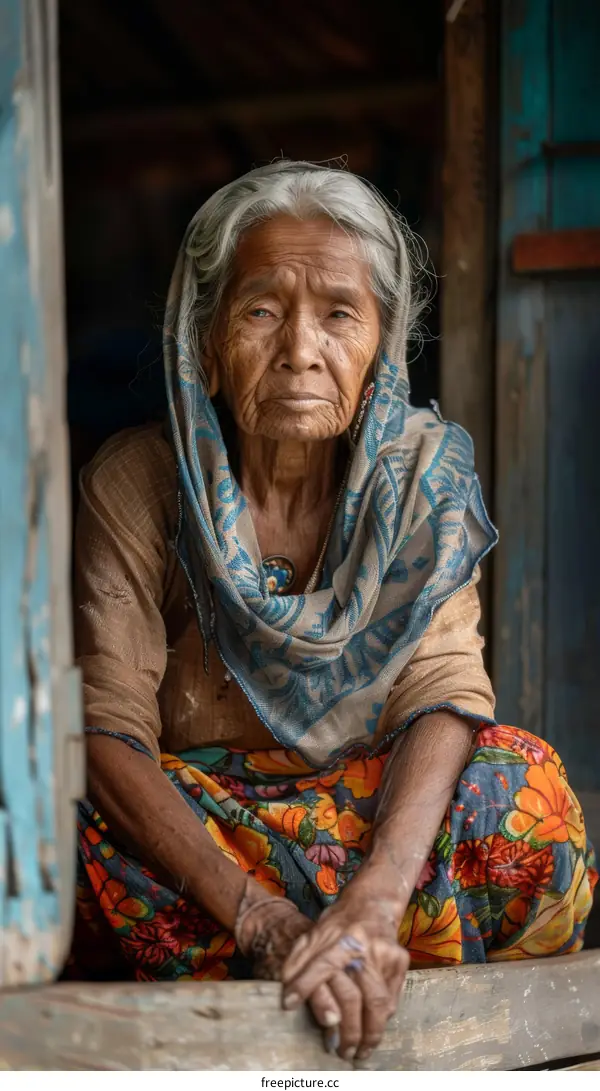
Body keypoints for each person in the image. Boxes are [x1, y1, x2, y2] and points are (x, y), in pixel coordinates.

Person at [72, 161, 596, 1062]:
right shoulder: (140, 484)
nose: (301, 350)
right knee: (57, 820)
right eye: (262, 311)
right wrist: (257, 910)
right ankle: (326, 954)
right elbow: (107, 728)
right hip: (207, 839)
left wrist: (375, 898)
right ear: (203, 338)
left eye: (340, 314)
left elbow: (445, 692)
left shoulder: (421, 483)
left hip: (372, 832)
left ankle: (355, 945)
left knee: (530, 792)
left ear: (383, 344)